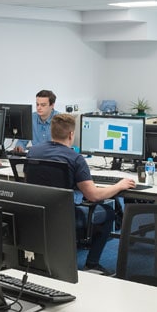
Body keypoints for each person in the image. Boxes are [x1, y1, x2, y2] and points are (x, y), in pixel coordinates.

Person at [27, 113, 135, 274]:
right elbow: (94, 196)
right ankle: (92, 264)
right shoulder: (75, 158)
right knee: (109, 212)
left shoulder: (33, 151)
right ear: (71, 134)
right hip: (65, 215)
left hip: (38, 212)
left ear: (52, 132)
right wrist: (119, 186)